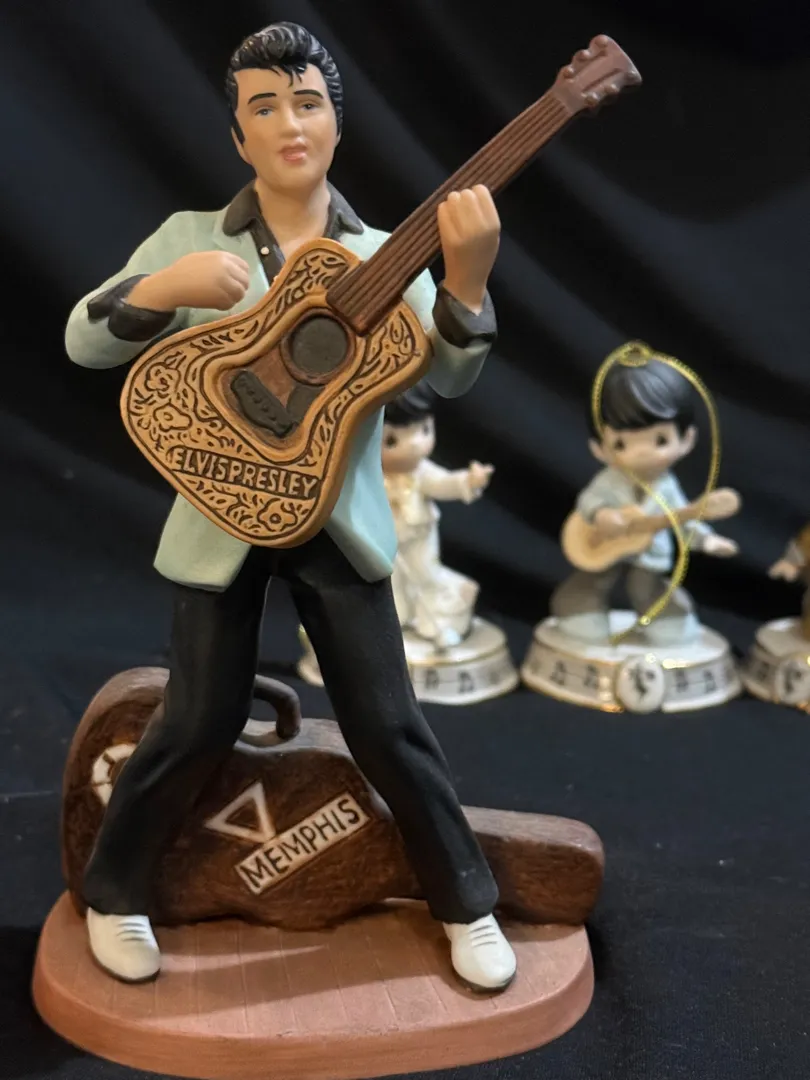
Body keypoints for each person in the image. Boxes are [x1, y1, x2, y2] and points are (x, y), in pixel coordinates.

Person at [65, 20, 514, 994]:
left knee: (388, 723)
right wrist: (162, 287)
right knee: (196, 717)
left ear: (339, 126)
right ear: (237, 135)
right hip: (220, 518)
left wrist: (468, 279)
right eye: (263, 107)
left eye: (307, 102)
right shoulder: (192, 236)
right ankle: (116, 890)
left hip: (335, 521)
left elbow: (448, 373)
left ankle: (465, 901)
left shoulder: (381, 254)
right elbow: (82, 341)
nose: (288, 123)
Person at [551, 347, 738, 646]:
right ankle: (578, 609)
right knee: (595, 576)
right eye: (621, 444)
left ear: (687, 440)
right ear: (599, 449)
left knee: (646, 588)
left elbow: (684, 518)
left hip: (650, 554)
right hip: (603, 546)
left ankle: (669, 619)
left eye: (660, 440)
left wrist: (706, 540)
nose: (642, 453)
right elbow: (589, 501)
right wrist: (602, 515)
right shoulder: (609, 480)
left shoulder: (667, 487)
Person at [382, 382, 492, 650]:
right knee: (390, 581)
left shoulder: (421, 472)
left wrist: (468, 481)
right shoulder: (368, 476)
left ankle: (438, 624)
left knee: (426, 577)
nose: (414, 445)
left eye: (424, 430)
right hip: (382, 539)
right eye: (391, 440)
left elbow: (443, 483)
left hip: (419, 534)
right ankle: (394, 622)